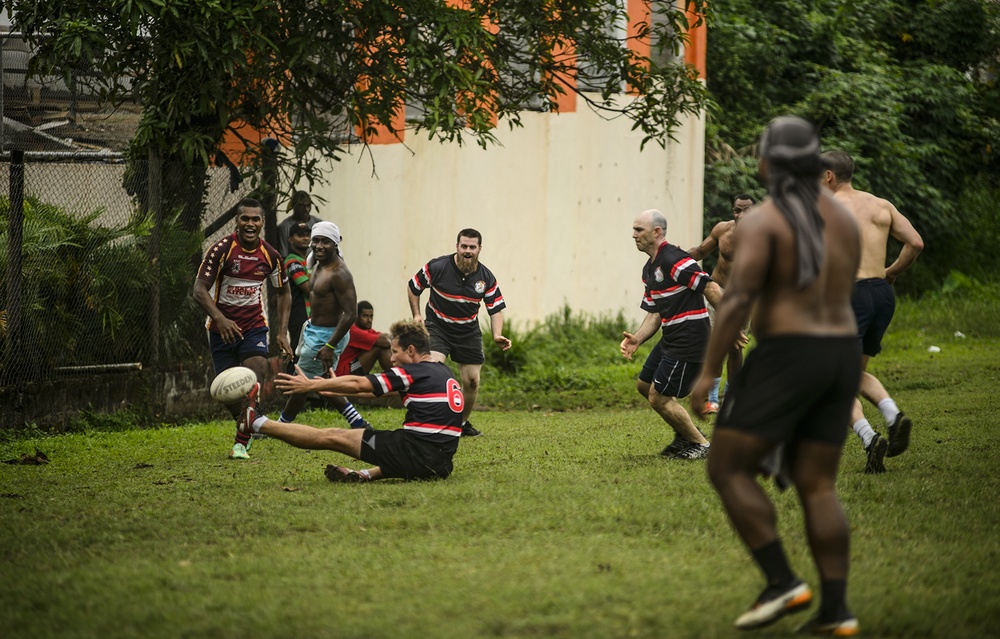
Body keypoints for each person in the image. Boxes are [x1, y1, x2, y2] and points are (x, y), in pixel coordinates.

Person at [690, 116, 862, 635]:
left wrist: (709, 373)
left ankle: (783, 580)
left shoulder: (762, 221)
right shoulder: (846, 220)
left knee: (725, 467)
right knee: (817, 484)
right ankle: (836, 611)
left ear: (767, 162)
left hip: (788, 354)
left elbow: (738, 299)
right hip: (842, 354)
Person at [238, 320, 463, 481]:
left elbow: (359, 384)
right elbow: (376, 392)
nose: (392, 358)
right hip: (440, 464)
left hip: (415, 452)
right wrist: (335, 390)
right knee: (387, 445)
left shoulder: (414, 372)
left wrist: (311, 385)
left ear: (411, 350)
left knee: (334, 436)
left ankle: (257, 422)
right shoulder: (443, 373)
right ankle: (363, 475)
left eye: (395, 352)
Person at [821, 150, 924, 474]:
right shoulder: (881, 204)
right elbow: (916, 243)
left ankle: (870, 436)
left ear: (828, 176)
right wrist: (890, 272)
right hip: (881, 294)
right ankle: (892, 417)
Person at [620, 208, 729, 460]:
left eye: (639, 230)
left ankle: (701, 445)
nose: (633, 235)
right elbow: (654, 313)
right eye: (634, 230)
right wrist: (637, 338)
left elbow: (709, 286)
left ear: (656, 232)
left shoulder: (673, 258)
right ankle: (684, 435)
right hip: (671, 336)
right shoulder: (650, 269)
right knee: (643, 385)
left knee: (659, 398)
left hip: (690, 338)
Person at [192, 198, 292, 460]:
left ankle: (241, 441)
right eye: (244, 218)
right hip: (220, 329)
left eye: (255, 219)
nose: (250, 224)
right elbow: (199, 290)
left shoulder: (271, 255)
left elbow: (284, 292)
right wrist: (221, 319)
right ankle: (249, 422)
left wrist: (281, 332)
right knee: (227, 392)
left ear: (262, 222)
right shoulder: (221, 250)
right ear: (237, 221)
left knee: (255, 374)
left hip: (253, 327)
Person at [408, 228, 512, 437]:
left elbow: (496, 309)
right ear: (457, 246)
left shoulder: (486, 278)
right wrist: (417, 315)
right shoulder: (437, 267)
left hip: (468, 332)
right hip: (438, 327)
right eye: (464, 246)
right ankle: (427, 420)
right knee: (433, 370)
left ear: (479, 249)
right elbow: (413, 286)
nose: (467, 251)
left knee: (472, 381)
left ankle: (461, 424)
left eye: (472, 247)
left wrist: (496, 334)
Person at [277, 221, 370, 430]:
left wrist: (329, 345)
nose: (318, 246)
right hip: (315, 331)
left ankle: (281, 426)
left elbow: (351, 314)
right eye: (316, 240)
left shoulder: (339, 273)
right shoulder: (318, 264)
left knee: (301, 380)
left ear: (336, 244)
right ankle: (358, 422)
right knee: (322, 381)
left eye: (325, 242)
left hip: (326, 336)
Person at [688, 194, 756, 414]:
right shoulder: (722, 230)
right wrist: (675, 256)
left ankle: (733, 395)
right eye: (738, 210)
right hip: (716, 291)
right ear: (733, 210)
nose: (742, 215)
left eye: (747, 210)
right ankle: (713, 399)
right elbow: (700, 251)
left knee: (735, 348)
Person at [334, 301, 393, 378]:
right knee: (380, 347)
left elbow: (385, 337)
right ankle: (396, 378)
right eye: (365, 316)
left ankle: (395, 377)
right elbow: (386, 342)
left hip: (354, 365)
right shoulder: (353, 331)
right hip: (345, 372)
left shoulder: (366, 330)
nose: (369, 320)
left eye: (371, 316)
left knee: (381, 344)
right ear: (356, 317)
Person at [284, 222, 312, 358]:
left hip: (309, 316)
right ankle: (290, 379)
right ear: (291, 239)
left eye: (307, 235)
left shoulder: (308, 261)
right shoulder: (292, 261)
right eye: (300, 235)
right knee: (298, 354)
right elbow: (308, 288)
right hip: (298, 315)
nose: (305, 238)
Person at [276, 190, 323, 258]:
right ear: (293, 206)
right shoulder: (284, 227)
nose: (306, 209)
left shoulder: (318, 223)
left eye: (308, 205)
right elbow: (284, 254)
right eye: (301, 206)